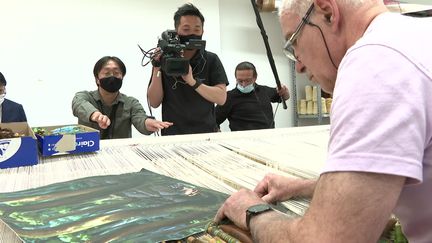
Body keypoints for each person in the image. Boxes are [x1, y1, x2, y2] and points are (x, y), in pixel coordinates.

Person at [215, 0, 432, 242]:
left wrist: (251, 210)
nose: (297, 65)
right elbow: (378, 182)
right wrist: (301, 187)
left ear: (327, 12)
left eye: (294, 41)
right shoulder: (416, 37)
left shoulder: (376, 63)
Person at [147, 3, 229, 136]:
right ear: (176, 31)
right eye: (186, 29)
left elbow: (221, 98)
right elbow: (154, 102)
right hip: (173, 134)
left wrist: (192, 82)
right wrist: (157, 67)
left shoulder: (211, 59)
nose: (192, 33)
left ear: (203, 31)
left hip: (206, 133)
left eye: (197, 30)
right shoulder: (164, 60)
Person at [72, 56, 172, 139]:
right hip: (88, 153)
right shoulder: (85, 96)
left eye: (116, 73)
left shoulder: (131, 102)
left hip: (120, 155)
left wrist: (148, 123)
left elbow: (140, 119)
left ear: (122, 77)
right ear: (97, 79)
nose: (112, 76)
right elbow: (78, 104)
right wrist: (95, 115)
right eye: (106, 73)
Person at [215, 61, 289, 131]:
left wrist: (284, 90)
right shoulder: (228, 97)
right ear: (236, 78)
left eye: (248, 80)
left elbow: (285, 97)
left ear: (255, 78)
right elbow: (213, 121)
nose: (243, 84)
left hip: (268, 138)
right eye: (240, 81)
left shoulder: (264, 91)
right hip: (242, 141)